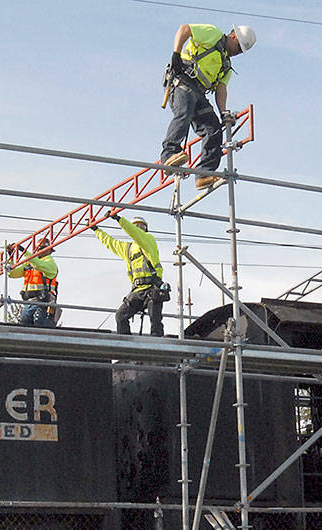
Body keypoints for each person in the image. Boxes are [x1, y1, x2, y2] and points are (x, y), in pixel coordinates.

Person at [160, 23, 256, 191]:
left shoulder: (226, 66)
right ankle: (169, 154)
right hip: (182, 81)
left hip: (198, 93)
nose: (237, 53)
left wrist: (223, 112)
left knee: (213, 129)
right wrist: (176, 53)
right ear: (234, 37)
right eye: (238, 48)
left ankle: (204, 172)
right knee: (184, 110)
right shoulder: (213, 34)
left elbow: (221, 88)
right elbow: (184, 29)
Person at [93, 215, 169, 336]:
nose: (139, 228)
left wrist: (119, 220)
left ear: (146, 229)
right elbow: (111, 243)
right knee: (120, 316)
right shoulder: (128, 248)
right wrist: (96, 230)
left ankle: (157, 342)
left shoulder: (148, 240)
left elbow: (135, 233)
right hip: (137, 290)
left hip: (152, 288)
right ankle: (125, 342)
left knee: (155, 319)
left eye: (141, 226)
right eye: (136, 226)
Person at [6, 238, 59, 328]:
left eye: (42, 248)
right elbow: (12, 273)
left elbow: (37, 264)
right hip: (29, 302)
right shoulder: (29, 263)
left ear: (49, 251)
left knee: (40, 328)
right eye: (39, 248)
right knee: (24, 328)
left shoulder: (50, 264)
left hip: (43, 303)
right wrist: (11, 258)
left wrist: (25, 252)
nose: (39, 251)